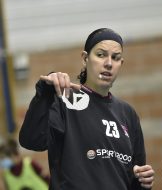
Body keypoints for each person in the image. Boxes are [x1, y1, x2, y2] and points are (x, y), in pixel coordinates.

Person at [19, 28, 154, 190]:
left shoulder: (128, 114)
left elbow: (135, 179)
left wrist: (143, 181)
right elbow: (31, 140)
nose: (109, 63)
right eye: (101, 55)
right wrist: (45, 95)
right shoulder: (65, 101)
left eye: (115, 58)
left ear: (121, 64)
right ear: (85, 58)